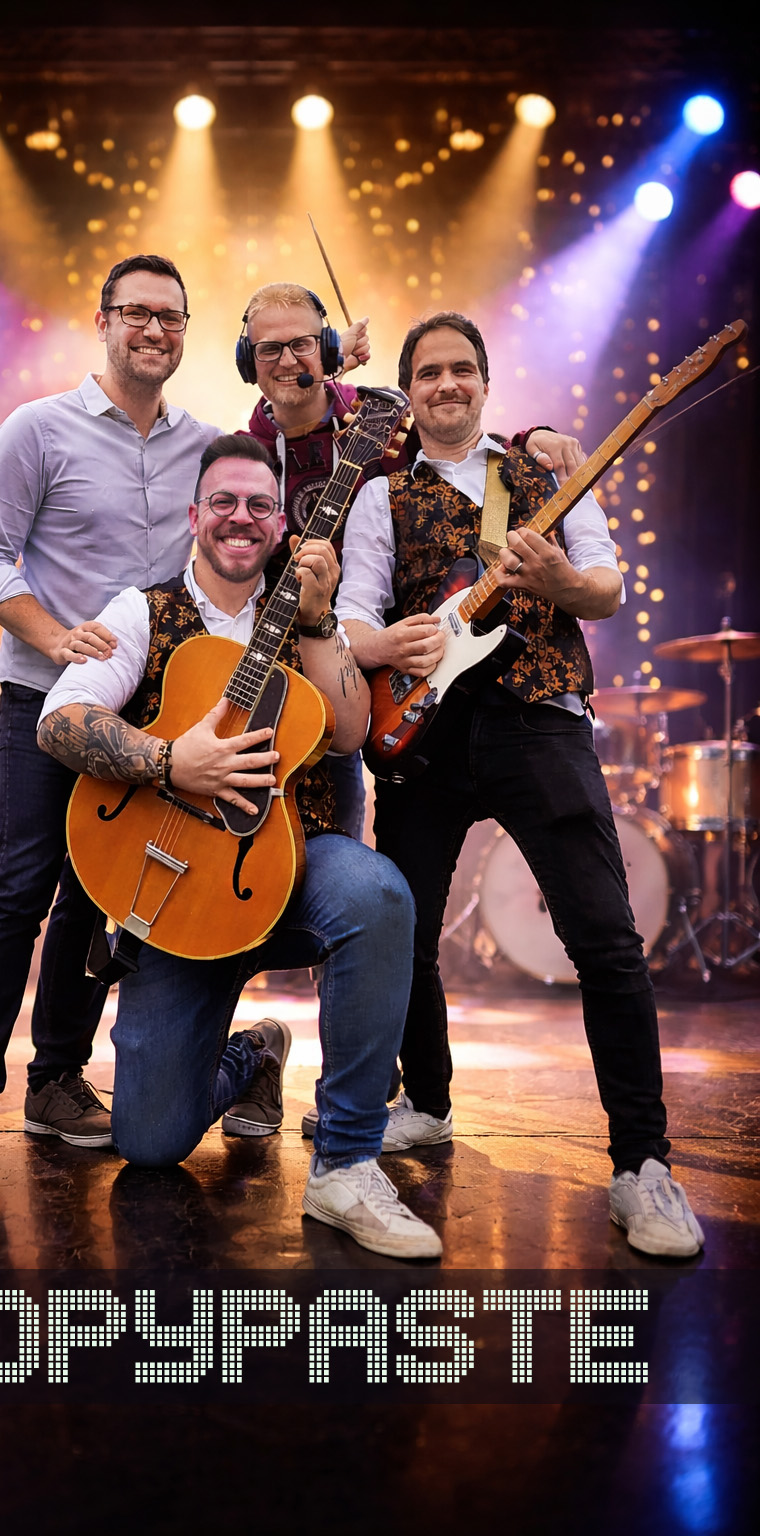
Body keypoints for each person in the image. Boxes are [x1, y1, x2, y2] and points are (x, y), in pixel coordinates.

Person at [335, 310, 705, 1259]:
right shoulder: (379, 496)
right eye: (429, 372)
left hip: (541, 720)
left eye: (462, 369)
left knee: (606, 940)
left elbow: (607, 588)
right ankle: (427, 1103)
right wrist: (392, 644)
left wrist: (559, 583)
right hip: (424, 730)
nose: (446, 385)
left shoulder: (550, 478)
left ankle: (643, 1166)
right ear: (409, 392)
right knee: (405, 935)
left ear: (487, 383)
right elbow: (352, 619)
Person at [35, 434, 442, 1259]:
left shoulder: (311, 615)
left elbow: (351, 733)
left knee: (378, 893)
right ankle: (254, 1053)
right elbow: (59, 719)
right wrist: (167, 760)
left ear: (282, 523)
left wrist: (321, 621)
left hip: (286, 868)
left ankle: (347, 1161)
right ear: (194, 515)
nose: (241, 517)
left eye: (260, 504)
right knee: (150, 1143)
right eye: (223, 501)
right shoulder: (142, 612)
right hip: (178, 893)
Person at [0, 255, 223, 1182]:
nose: (155, 330)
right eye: (137, 313)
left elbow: (283, 468)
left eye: (171, 316)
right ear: (103, 321)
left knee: (98, 895)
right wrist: (56, 639)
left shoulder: (205, 444)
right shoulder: (38, 428)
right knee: (20, 886)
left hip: (148, 712)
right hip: (44, 699)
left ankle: (56, 1080)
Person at [236, 281, 586, 839]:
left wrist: (530, 438)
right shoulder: (244, 454)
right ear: (246, 360)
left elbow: (461, 445)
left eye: (302, 345)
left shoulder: (378, 424)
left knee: (336, 849)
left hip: (358, 685)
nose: (287, 361)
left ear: (328, 350)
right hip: (268, 670)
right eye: (268, 349)